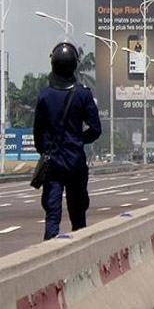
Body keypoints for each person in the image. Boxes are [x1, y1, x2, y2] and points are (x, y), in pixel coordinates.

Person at [33, 40, 102, 240]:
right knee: (79, 219)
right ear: (74, 65)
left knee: (52, 217)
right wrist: (78, 140)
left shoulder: (44, 96)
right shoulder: (83, 94)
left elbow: (38, 131)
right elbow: (96, 129)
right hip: (76, 163)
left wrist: (44, 151)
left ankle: (48, 256)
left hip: (53, 165)